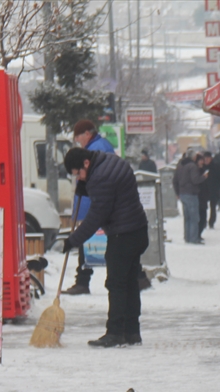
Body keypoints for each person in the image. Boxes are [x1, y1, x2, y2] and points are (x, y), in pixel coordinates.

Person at [62, 147, 149, 347]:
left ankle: (115, 332)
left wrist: (73, 240)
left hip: (123, 235)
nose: (79, 179)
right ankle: (132, 331)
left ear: (86, 163)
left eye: (78, 174)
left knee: (116, 284)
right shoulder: (109, 161)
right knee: (129, 283)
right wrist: (87, 185)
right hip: (138, 230)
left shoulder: (100, 177)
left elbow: (95, 217)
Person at [63, 119, 117, 296]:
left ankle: (82, 281)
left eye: (79, 138)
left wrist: (83, 203)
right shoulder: (101, 145)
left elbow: (93, 181)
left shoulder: (95, 149)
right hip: (99, 202)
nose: (79, 142)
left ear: (87, 134)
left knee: (88, 239)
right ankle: (136, 276)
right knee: (109, 240)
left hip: (95, 203)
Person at [175, 150, 205, 244]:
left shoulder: (180, 166)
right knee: (194, 218)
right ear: (194, 157)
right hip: (191, 194)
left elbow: (175, 180)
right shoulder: (192, 166)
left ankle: (187, 237)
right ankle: (193, 238)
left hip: (182, 194)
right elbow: (195, 180)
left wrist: (177, 193)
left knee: (187, 218)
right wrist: (204, 176)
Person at [198, 151, 220, 235]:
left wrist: (218, 187)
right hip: (204, 191)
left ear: (211, 158)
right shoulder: (202, 167)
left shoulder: (216, 166)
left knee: (213, 207)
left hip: (214, 191)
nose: (206, 160)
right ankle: (204, 222)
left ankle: (211, 222)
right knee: (203, 207)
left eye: (208, 158)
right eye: (205, 158)